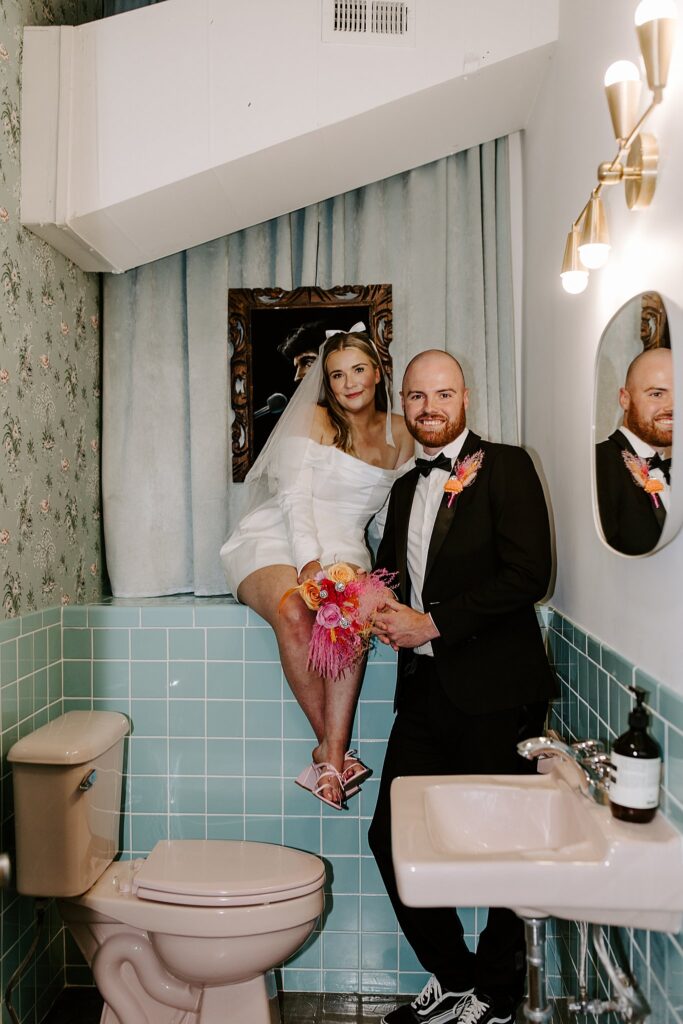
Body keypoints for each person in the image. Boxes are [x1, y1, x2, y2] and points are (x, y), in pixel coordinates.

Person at [367, 350, 557, 1024]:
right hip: (422, 691)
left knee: (505, 842)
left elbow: (528, 574)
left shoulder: (506, 467)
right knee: (389, 835)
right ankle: (455, 976)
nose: (428, 408)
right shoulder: (400, 489)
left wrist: (433, 624)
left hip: (499, 689)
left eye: (441, 394)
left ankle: (497, 996)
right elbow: (391, 579)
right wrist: (362, 604)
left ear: (465, 397)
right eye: (416, 396)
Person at [221, 327, 414, 809]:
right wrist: (309, 564)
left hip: (347, 549)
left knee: (347, 613)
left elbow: (395, 516)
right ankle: (334, 752)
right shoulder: (311, 417)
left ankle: (327, 756)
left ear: (377, 373)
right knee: (294, 610)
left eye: (358, 370)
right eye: (337, 375)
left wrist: (395, 586)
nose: (349, 383)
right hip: (276, 539)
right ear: (326, 383)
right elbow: (293, 500)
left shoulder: (401, 433)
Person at [595, 347, 673, 556]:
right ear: (625, 399)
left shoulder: (675, 468)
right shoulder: (598, 464)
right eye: (657, 394)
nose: (672, 406)